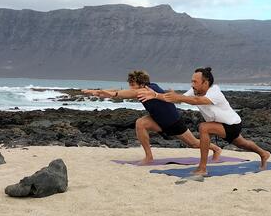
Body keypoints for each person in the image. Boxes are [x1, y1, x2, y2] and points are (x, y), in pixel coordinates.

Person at [138, 67, 270, 175]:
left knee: (204, 127)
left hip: (232, 125)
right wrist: (156, 95)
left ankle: (202, 168)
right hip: (219, 125)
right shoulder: (194, 91)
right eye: (192, 81)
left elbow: (197, 101)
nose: (192, 85)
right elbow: (178, 98)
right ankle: (263, 153)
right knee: (243, 144)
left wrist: (177, 97)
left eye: (195, 82)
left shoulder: (215, 92)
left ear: (205, 83)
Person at [82, 70, 221, 165]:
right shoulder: (141, 88)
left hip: (173, 122)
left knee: (194, 144)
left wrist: (112, 95)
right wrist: (96, 91)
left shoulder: (147, 90)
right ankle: (149, 156)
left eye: (133, 84)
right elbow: (120, 90)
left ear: (142, 84)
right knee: (141, 123)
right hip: (158, 120)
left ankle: (216, 149)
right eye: (130, 84)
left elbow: (122, 93)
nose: (131, 87)